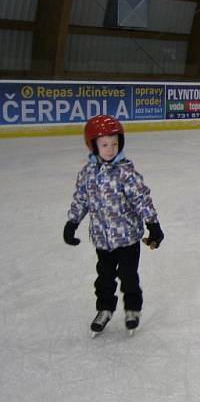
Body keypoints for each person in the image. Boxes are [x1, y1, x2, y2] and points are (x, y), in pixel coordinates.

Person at [62, 115, 164, 335]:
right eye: (105, 144)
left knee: (128, 277)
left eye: (115, 143)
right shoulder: (87, 174)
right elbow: (81, 200)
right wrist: (72, 222)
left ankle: (132, 310)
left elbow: (141, 199)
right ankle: (105, 309)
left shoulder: (126, 172)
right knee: (104, 279)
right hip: (102, 239)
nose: (110, 149)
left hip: (127, 239)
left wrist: (153, 224)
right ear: (93, 146)